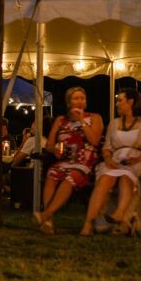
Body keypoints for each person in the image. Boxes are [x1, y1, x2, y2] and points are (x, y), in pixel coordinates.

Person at [80, 89, 141, 236]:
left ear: (131, 102)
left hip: (137, 160)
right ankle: (88, 223)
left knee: (126, 176)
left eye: (120, 100)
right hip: (116, 159)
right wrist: (108, 159)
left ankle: (120, 213)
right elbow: (107, 147)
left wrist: (138, 159)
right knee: (104, 179)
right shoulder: (114, 123)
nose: (117, 104)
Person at [35, 87, 104, 235]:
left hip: (84, 160)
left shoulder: (95, 117)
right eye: (76, 98)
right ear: (69, 102)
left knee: (69, 178)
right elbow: (49, 145)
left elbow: (94, 140)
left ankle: (46, 214)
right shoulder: (61, 120)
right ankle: (49, 221)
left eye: (82, 98)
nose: (79, 101)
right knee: (52, 173)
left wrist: (81, 120)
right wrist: (56, 150)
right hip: (65, 159)